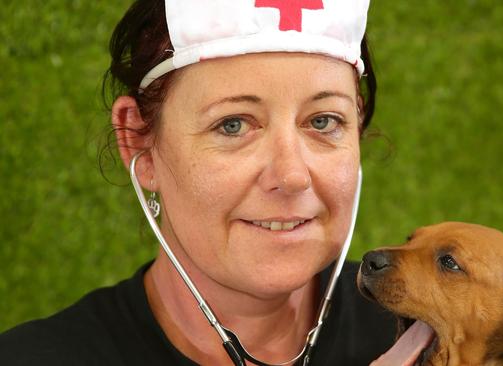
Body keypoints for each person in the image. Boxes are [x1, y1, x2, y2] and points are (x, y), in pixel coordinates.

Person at [0, 0, 434, 364]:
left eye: (323, 120)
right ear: (138, 142)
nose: (291, 175)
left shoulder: (439, 341)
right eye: (232, 125)